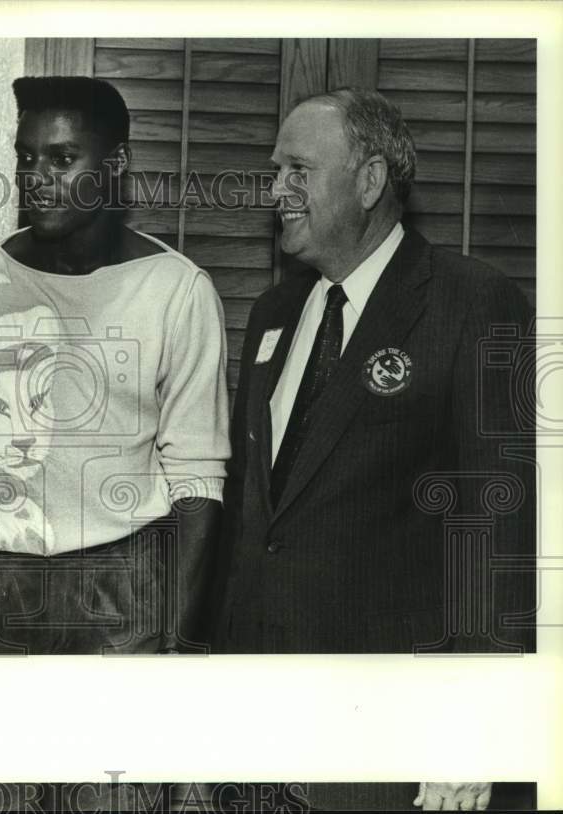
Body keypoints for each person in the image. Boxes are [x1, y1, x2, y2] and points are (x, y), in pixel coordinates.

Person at [212, 87, 536, 812]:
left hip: (387, 744)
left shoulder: (472, 302)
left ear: (369, 179)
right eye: (275, 172)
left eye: (298, 170)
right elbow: (260, 521)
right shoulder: (273, 313)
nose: (276, 192)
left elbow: (498, 533)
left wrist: (477, 727)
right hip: (257, 738)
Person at [0, 76, 230, 656]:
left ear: (115, 163)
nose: (36, 178)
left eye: (63, 158)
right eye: (26, 157)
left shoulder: (177, 290)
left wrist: (182, 638)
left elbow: (197, 479)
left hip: (123, 585)